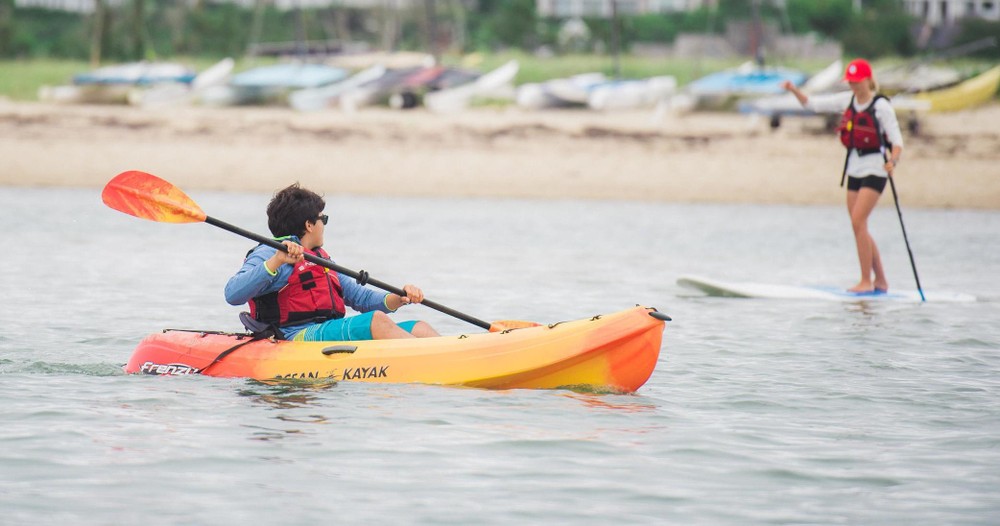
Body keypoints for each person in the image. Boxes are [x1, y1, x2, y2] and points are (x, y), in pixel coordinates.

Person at [225, 183, 440, 341]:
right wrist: (276, 262)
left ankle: (453, 360)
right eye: (323, 219)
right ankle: (435, 366)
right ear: (309, 225)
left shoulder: (319, 258)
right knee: (376, 321)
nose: (324, 225)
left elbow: (361, 298)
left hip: (327, 330)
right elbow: (233, 294)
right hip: (292, 335)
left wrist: (399, 297)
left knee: (418, 327)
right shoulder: (270, 253)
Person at [782, 58, 904, 294]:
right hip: (854, 168)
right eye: (850, 82)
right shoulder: (847, 101)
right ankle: (880, 280)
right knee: (859, 226)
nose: (854, 86)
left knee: (858, 221)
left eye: (857, 81)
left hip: (876, 168)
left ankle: (865, 281)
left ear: (868, 80)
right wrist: (794, 90)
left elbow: (897, 141)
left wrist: (894, 160)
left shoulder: (881, 106)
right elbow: (812, 104)